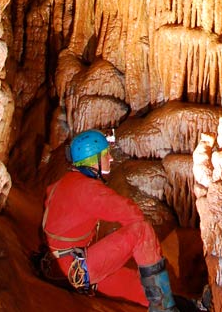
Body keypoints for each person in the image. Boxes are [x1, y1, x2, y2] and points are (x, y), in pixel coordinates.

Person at [41, 129, 179, 312]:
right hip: (77, 270)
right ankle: (164, 309)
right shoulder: (87, 188)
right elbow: (131, 214)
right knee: (142, 230)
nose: (111, 159)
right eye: (106, 154)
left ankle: (183, 306)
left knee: (138, 288)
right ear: (94, 159)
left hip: (58, 268)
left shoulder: (64, 183)